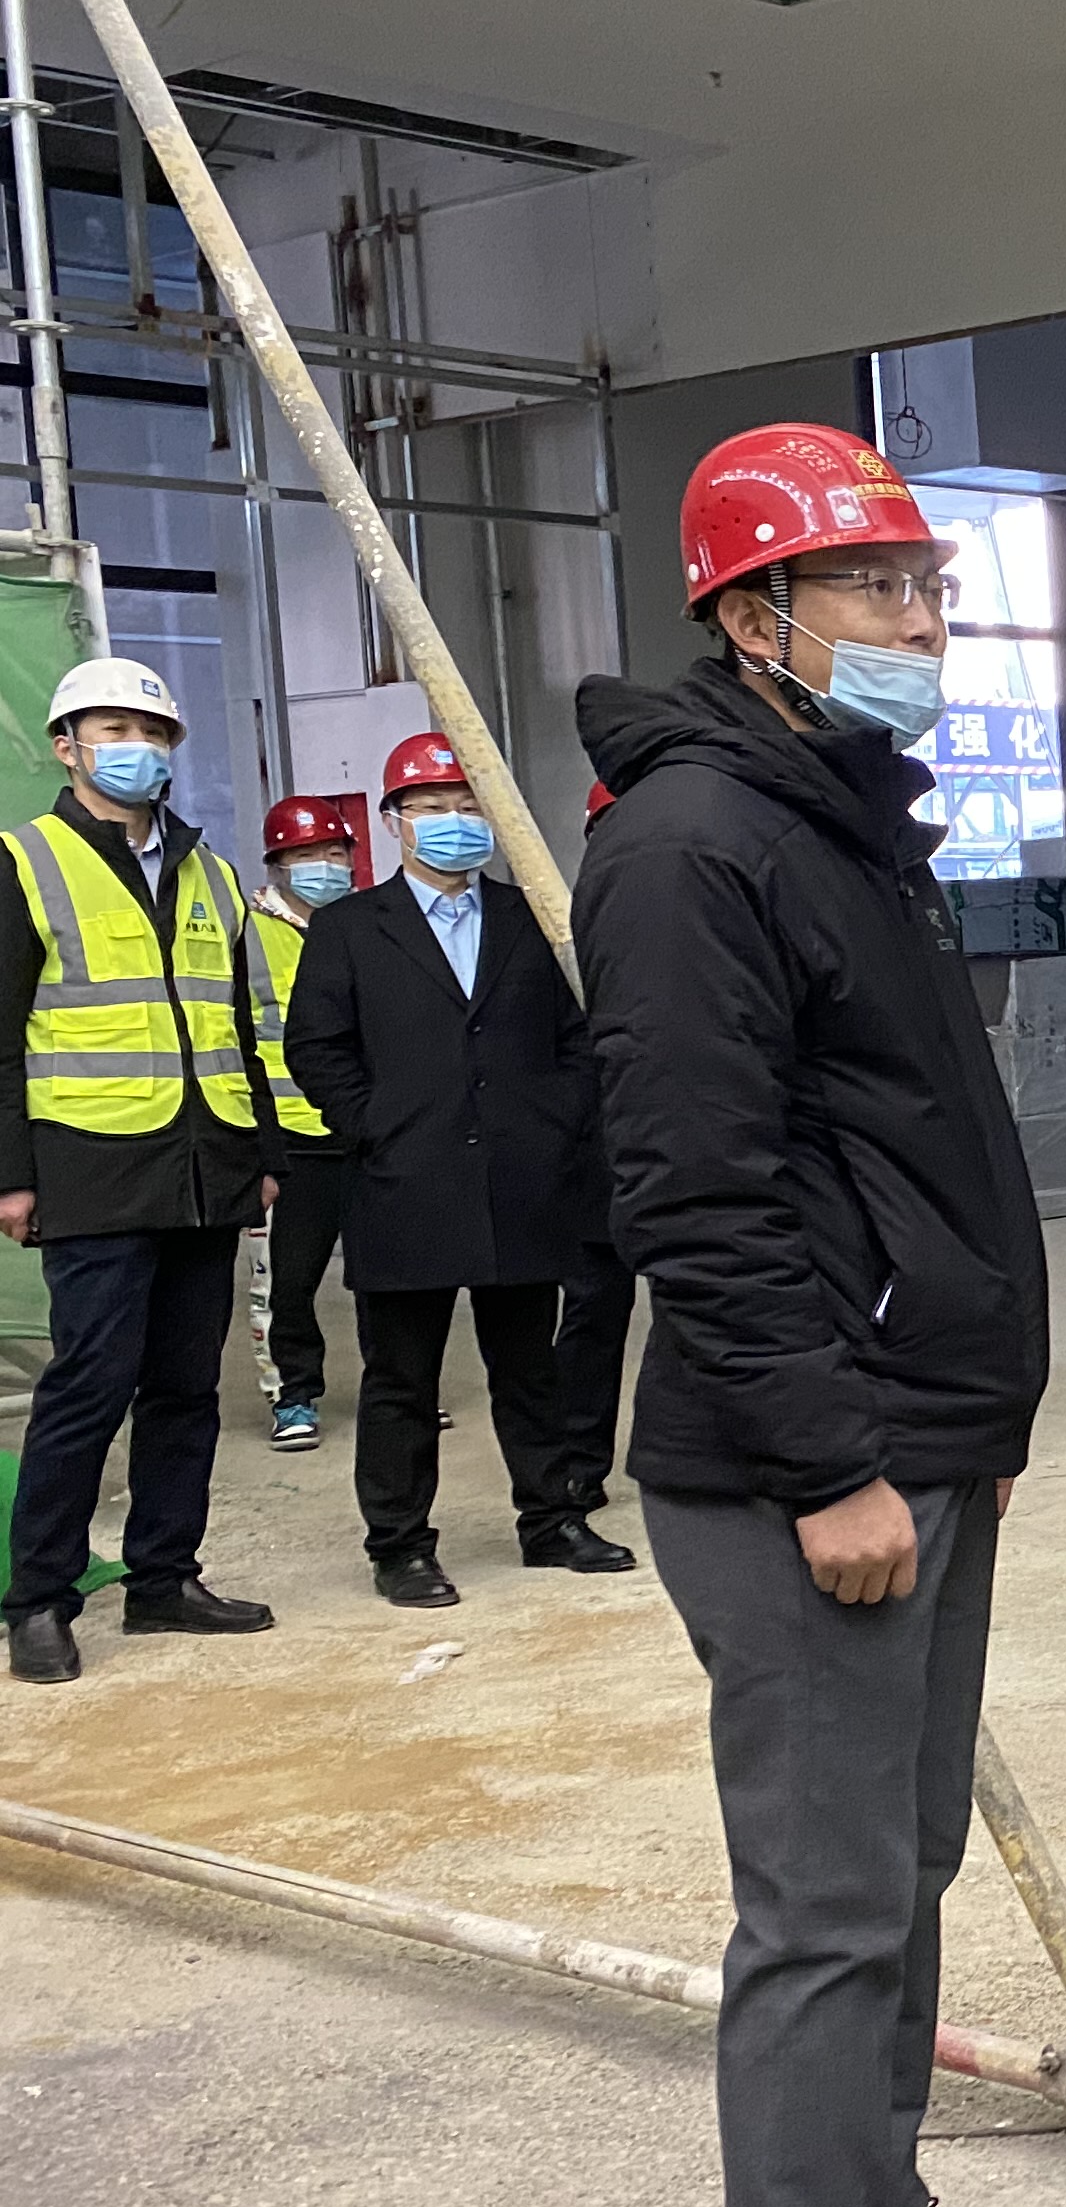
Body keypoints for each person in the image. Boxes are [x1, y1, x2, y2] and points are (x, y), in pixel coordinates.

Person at [578, 420, 1066, 2207]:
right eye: (879, 585)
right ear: (751, 614)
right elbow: (697, 1201)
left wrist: (971, 1425)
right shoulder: (694, 845)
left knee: (901, 1870)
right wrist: (831, 1463)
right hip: (807, 1466)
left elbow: (897, 1149)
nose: (921, 622)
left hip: (913, 1434)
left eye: (930, 586)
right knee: (822, 1908)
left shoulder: (843, 817)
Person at [284, 732, 636, 1603]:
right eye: (431, 807)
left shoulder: (532, 919)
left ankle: (551, 1520)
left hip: (521, 1180)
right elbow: (316, 1047)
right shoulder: (350, 930)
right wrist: (373, 1125)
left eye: (466, 804)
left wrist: (552, 1123)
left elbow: (578, 1039)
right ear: (394, 822)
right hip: (406, 1183)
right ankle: (401, 1545)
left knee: (530, 1367)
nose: (452, 821)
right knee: (402, 1378)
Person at [0, 657, 279, 1684]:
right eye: (113, 730)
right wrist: (11, 1176)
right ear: (66, 747)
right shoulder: (23, 862)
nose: (138, 748)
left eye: (153, 733)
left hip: (206, 1163)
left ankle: (165, 1578)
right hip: (93, 1164)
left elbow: (240, 1026)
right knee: (88, 1386)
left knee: (185, 1388)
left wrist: (262, 1155)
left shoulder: (212, 873)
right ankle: (39, 1599)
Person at [241, 796, 356, 1453]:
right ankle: (294, 1395)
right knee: (287, 1282)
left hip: (365, 1129)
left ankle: (402, 1389)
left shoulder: (369, 924)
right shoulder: (248, 934)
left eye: (334, 852)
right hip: (289, 1140)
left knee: (392, 1274)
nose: (323, 865)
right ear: (278, 865)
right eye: (305, 855)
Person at [548, 779, 636, 1523]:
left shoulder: (705, 905)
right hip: (594, 1151)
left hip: (694, 1142)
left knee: (716, 1304)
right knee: (594, 1312)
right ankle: (578, 1462)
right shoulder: (562, 930)